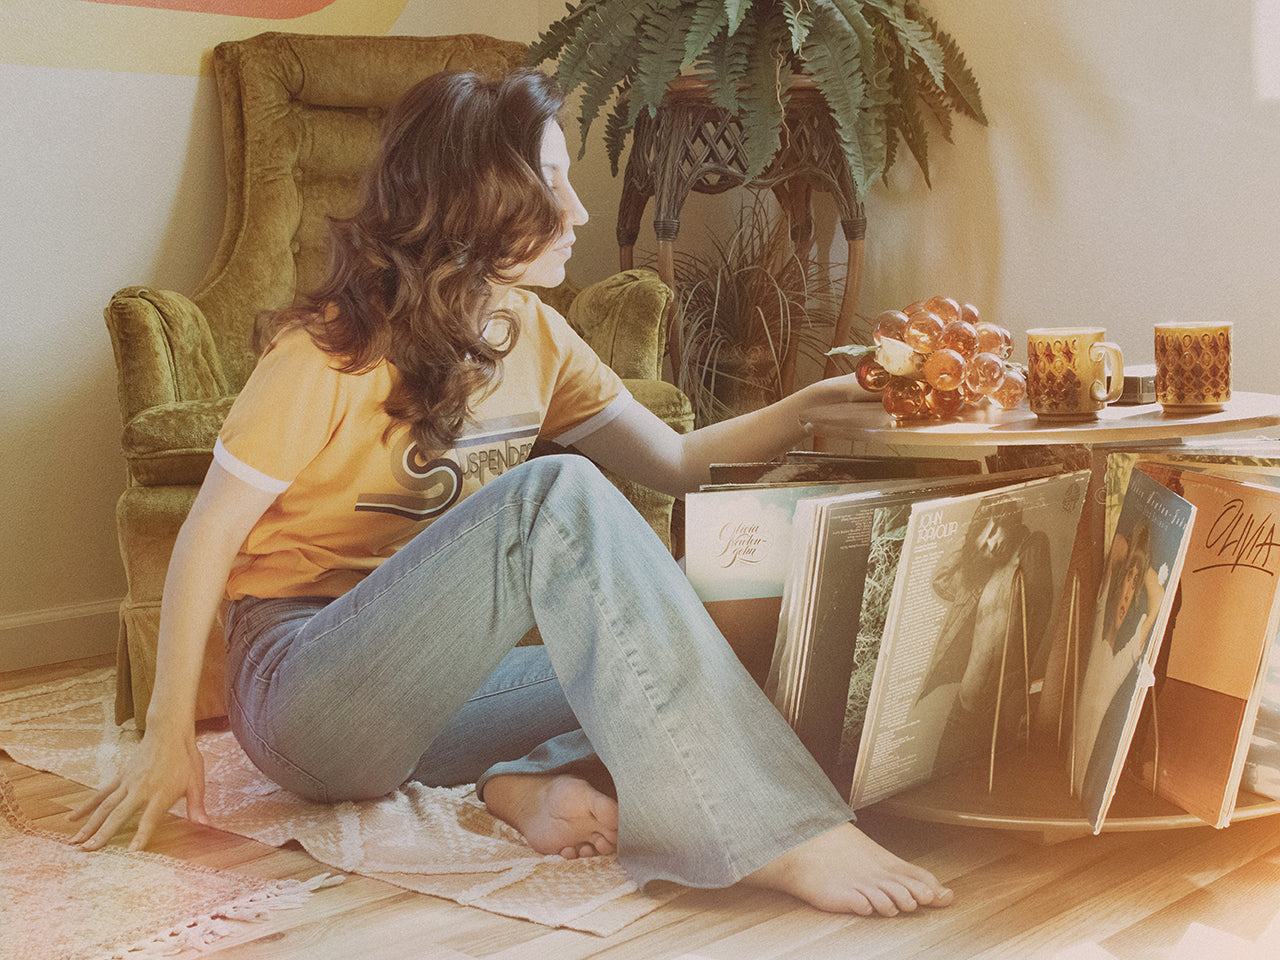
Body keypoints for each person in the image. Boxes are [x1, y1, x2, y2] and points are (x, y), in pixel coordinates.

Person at [69, 67, 952, 918]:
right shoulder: (329, 350)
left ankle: (516, 777)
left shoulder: (535, 331)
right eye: (553, 184)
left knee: (713, 631)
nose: (580, 211)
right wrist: (165, 737)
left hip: (437, 700)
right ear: (475, 199)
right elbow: (207, 534)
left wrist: (813, 406)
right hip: (306, 695)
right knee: (551, 494)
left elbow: (677, 463)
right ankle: (768, 831)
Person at [914, 496, 1053, 768]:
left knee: (988, 788)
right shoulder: (978, 581)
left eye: (991, 533)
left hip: (999, 708)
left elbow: (1040, 610)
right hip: (963, 709)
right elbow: (940, 581)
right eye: (983, 545)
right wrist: (971, 536)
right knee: (942, 777)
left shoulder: (1030, 549)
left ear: (1006, 521)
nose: (990, 545)